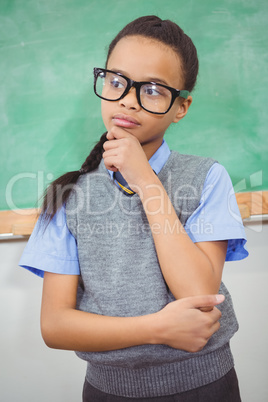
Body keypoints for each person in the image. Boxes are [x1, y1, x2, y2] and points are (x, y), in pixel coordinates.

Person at [19, 15, 248, 401]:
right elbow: (55, 326)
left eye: (154, 90)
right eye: (116, 81)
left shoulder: (207, 177)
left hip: (205, 386)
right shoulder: (69, 196)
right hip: (108, 391)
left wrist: (145, 180)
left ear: (181, 106)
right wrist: (156, 328)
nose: (127, 99)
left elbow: (198, 290)